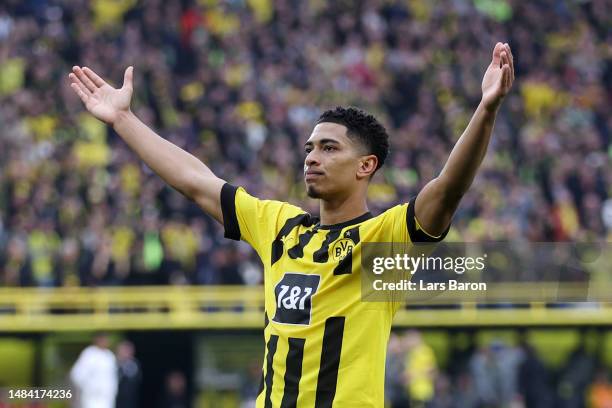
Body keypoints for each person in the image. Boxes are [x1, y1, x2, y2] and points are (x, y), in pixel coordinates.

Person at [68, 41, 514, 407]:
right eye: (308, 148)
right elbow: (196, 181)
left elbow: (447, 188)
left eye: (328, 148)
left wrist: (486, 111)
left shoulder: (383, 242)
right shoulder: (279, 226)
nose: (312, 158)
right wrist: (123, 120)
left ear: (366, 166)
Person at [69, 332, 118, 408]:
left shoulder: (110, 356)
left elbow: (113, 377)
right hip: (92, 397)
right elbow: (76, 374)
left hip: (107, 396)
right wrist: (88, 388)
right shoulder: (89, 354)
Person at [115, 340, 142, 408]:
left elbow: (135, 380)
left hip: (129, 400)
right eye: (124, 350)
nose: (127, 353)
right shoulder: (112, 362)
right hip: (115, 398)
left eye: (129, 351)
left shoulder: (134, 364)